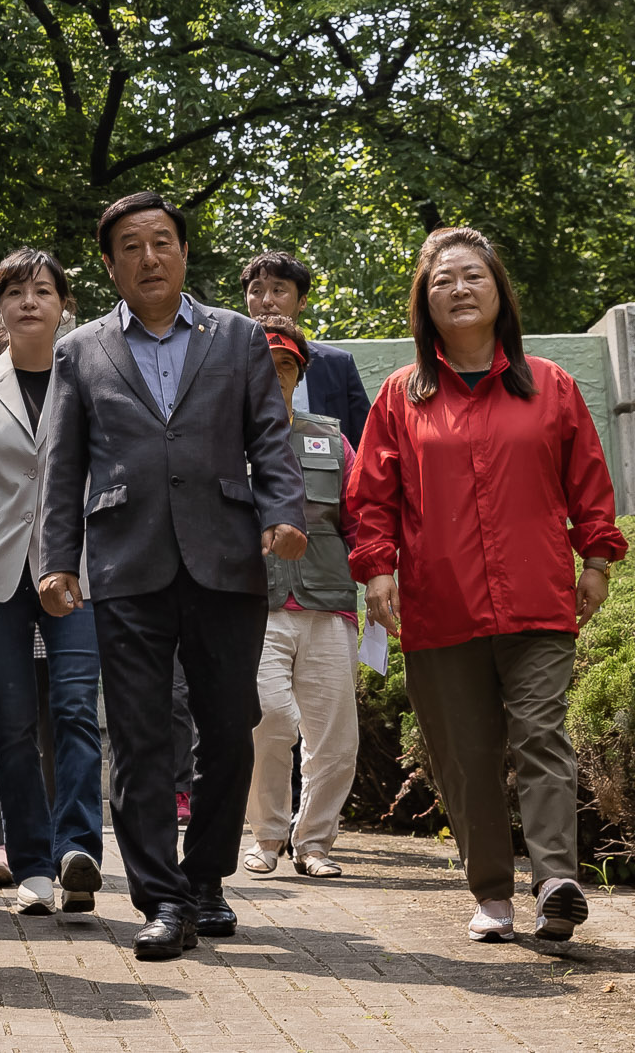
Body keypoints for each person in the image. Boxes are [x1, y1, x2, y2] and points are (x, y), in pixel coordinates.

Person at [35, 192, 308, 962]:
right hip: (126, 559)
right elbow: (62, 467)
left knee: (229, 727)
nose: (149, 256)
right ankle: (158, 897)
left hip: (226, 557)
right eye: (131, 245)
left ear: (184, 252)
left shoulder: (238, 338)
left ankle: (207, 877)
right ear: (111, 264)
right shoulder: (80, 350)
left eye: (162, 241)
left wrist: (281, 513)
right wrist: (58, 560)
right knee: (142, 733)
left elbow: (269, 437)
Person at [348, 227, 625, 946]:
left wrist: (595, 558)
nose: (460, 289)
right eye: (443, 281)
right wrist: (378, 564)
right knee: (465, 756)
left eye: (473, 275)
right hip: (442, 606)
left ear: (500, 293)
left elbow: (588, 479)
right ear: (424, 303)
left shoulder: (550, 386)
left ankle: (557, 878)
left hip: (537, 599)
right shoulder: (400, 397)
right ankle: (492, 892)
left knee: (541, 734)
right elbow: (370, 495)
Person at [0, 248, 103, 918]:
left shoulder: (91, 374)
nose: (30, 301)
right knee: (8, 721)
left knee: (73, 708)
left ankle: (77, 849)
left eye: (43, 290)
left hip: (77, 569)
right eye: (16, 291)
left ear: (64, 303)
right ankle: (31, 861)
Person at [241, 316, 361, 880]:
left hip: (328, 601)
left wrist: (382, 575)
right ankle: (266, 836)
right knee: (270, 719)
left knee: (336, 737)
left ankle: (314, 843)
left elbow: (361, 518)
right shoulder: (219, 437)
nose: (275, 377)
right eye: (264, 367)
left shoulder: (332, 439)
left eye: (286, 367)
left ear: (299, 373)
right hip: (254, 607)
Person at [242, 251, 371, 448]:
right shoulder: (228, 361)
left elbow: (365, 443)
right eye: (256, 291)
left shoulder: (337, 365)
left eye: (278, 290)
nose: (267, 300)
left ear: (302, 302)